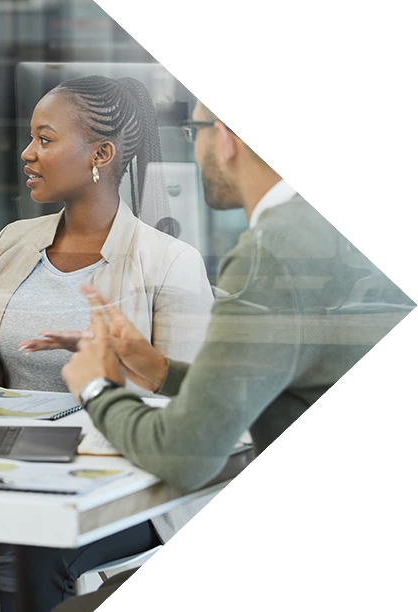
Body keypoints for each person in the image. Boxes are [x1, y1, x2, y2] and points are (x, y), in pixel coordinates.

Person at [53, 97, 407, 611]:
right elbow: (296, 372)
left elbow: (184, 455)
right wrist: (162, 372)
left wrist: (96, 388)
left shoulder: (270, 254)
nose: (195, 149)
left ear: (225, 137)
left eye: (194, 129)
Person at [0, 75, 214, 610]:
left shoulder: (170, 262)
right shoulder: (13, 243)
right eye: (31, 138)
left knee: (34, 548)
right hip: (15, 467)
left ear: (100, 154)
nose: (27, 153)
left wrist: (114, 366)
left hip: (131, 484)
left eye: (45, 139)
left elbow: (189, 408)